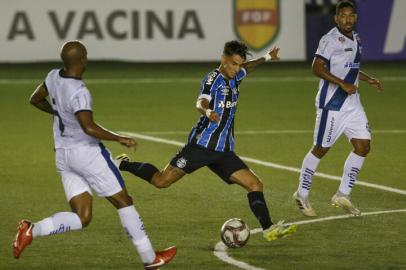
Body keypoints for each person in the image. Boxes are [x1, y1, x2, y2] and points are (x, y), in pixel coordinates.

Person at [12, 40, 176, 269]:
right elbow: (89, 127)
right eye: (85, 56)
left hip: (63, 155)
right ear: (81, 60)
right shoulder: (79, 91)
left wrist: (57, 113)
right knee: (124, 202)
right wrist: (119, 138)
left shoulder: (52, 76)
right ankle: (150, 258)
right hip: (87, 155)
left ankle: (32, 230)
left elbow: (35, 99)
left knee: (82, 217)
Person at [116, 40, 297, 241]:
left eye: (239, 64)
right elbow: (200, 101)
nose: (237, 69)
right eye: (234, 64)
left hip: (223, 149)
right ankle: (123, 164)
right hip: (201, 146)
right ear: (223, 59)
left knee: (255, 184)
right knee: (161, 181)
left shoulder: (236, 76)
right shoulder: (213, 79)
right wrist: (207, 110)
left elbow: (247, 68)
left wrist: (267, 58)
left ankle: (268, 228)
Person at [293, 0, 383, 217]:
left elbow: (350, 68)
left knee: (363, 146)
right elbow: (316, 67)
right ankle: (301, 193)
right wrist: (342, 84)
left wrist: (367, 78)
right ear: (336, 18)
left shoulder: (357, 38)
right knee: (321, 149)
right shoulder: (330, 39)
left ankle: (343, 193)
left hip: (352, 104)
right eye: (342, 16)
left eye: (351, 15)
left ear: (356, 17)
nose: (347, 19)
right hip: (331, 105)